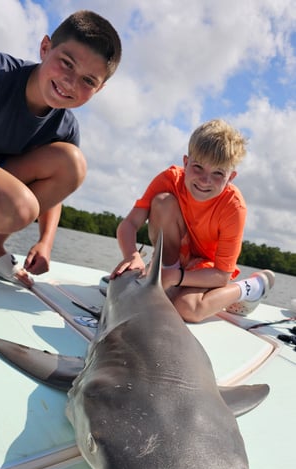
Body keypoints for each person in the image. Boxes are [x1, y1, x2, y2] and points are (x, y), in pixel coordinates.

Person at [0, 10, 121, 287]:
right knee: (19, 207)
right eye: (67, 63)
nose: (71, 83)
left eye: (88, 80)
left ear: (100, 89)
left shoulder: (66, 128)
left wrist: (45, 242)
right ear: (45, 48)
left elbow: (54, 193)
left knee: (72, 162)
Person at [112, 119, 275, 322]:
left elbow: (222, 274)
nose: (205, 181)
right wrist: (131, 256)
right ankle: (166, 272)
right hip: (178, 257)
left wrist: (178, 278)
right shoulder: (169, 179)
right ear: (186, 162)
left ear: (231, 177)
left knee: (188, 309)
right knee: (163, 202)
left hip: (210, 268)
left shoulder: (234, 207)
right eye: (198, 167)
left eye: (217, 173)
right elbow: (129, 224)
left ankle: (252, 287)